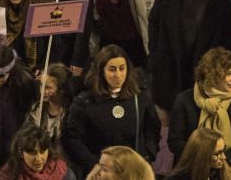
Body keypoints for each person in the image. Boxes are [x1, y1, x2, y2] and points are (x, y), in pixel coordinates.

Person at [148, 0, 231, 111]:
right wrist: (155, 59)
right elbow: (154, 26)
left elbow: (229, 40)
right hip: (169, 76)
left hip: (207, 79)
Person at [62, 44, 161, 176]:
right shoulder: (84, 102)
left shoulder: (141, 97)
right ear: (101, 71)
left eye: (122, 68)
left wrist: (147, 154)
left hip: (131, 170)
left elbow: (152, 128)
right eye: (112, 69)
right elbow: (72, 138)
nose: (118, 75)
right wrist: (97, 165)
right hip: (100, 172)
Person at [168, 48, 231, 167]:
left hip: (227, 167)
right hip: (191, 168)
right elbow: (175, 141)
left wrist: (221, 159)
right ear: (213, 74)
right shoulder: (184, 99)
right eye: (228, 74)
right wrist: (204, 157)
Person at [0, 123, 75, 180]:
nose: (38, 159)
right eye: (32, 153)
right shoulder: (7, 175)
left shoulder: (65, 175)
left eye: (42, 151)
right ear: (21, 152)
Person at [166, 129, 231, 180]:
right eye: (218, 153)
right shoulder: (177, 178)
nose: (224, 157)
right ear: (202, 155)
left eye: (223, 150)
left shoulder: (228, 175)